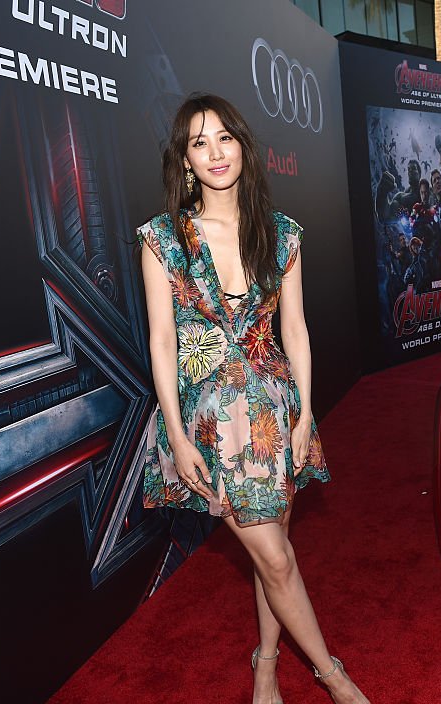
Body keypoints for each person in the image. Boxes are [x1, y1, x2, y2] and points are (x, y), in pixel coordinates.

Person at [135, 93, 370, 704]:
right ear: (185, 161)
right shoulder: (163, 239)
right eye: (198, 142)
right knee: (277, 559)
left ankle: (265, 665)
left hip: (276, 413)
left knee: (276, 554)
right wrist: (176, 433)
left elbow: (295, 330)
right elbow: (161, 340)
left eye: (224, 138)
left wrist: (306, 418)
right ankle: (333, 677)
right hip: (212, 425)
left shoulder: (282, 233)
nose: (214, 153)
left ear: (243, 146)